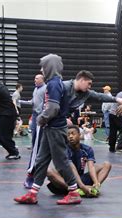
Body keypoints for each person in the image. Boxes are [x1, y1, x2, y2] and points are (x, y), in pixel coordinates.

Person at [23, 70, 122, 188]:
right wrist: (60, 119)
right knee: (40, 150)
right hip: (46, 121)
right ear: (81, 80)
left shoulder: (85, 93)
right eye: (89, 83)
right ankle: (31, 176)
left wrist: (117, 100)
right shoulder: (63, 87)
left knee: (52, 155)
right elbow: (48, 106)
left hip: (58, 124)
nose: (90, 87)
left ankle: (70, 188)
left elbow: (98, 96)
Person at [14, 54, 82, 205]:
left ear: (49, 67)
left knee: (61, 161)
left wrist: (41, 118)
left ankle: (74, 192)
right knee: (41, 160)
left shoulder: (53, 84)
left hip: (55, 128)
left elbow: (53, 107)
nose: (41, 69)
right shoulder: (54, 82)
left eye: (43, 66)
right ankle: (33, 193)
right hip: (50, 127)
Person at [47, 125, 111, 197]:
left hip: (80, 179)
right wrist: (82, 186)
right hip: (64, 183)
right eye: (68, 135)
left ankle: (95, 188)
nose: (70, 136)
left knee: (106, 164)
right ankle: (76, 190)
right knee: (49, 171)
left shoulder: (87, 149)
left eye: (73, 133)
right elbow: (72, 168)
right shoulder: (64, 149)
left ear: (80, 135)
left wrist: (96, 182)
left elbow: (91, 167)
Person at [20, 74, 47, 188]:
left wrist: (43, 116)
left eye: (36, 78)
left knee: (41, 147)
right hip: (36, 116)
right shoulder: (36, 89)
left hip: (42, 117)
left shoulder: (46, 88)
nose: (34, 80)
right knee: (36, 145)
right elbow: (33, 102)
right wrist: (20, 101)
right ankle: (31, 175)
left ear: (42, 80)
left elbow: (45, 104)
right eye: (34, 78)